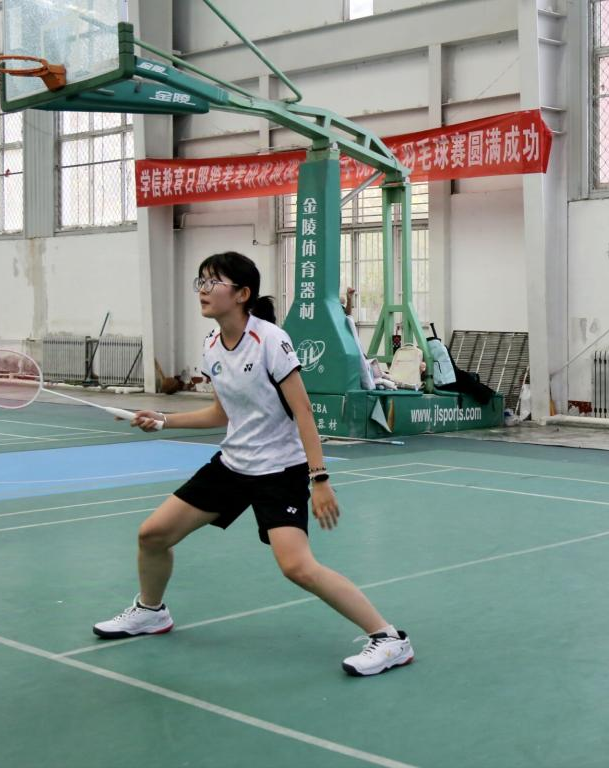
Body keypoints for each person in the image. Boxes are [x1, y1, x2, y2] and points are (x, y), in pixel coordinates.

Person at [92, 251, 414, 675]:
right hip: (233, 465)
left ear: (242, 294)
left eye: (213, 282)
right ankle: (151, 611)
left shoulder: (270, 341)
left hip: (279, 471)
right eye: (201, 281)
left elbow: (303, 411)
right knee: (152, 534)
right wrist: (164, 419)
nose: (203, 290)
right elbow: (220, 414)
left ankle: (390, 639)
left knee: (297, 566)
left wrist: (319, 479)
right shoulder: (211, 345)